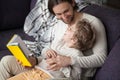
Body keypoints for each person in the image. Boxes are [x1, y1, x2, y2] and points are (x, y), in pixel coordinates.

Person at [0, 0, 107, 80]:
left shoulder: (93, 23)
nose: (64, 18)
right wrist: (36, 59)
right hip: (45, 67)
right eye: (59, 14)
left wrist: (69, 60)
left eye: (66, 11)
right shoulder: (60, 23)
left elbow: (101, 59)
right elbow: (51, 50)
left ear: (73, 3)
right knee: (6, 62)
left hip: (65, 77)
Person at [7, 20, 96, 80]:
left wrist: (62, 67)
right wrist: (47, 51)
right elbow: (44, 52)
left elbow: (76, 76)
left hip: (46, 76)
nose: (67, 29)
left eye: (70, 29)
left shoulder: (76, 54)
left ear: (74, 39)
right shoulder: (59, 42)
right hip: (35, 70)